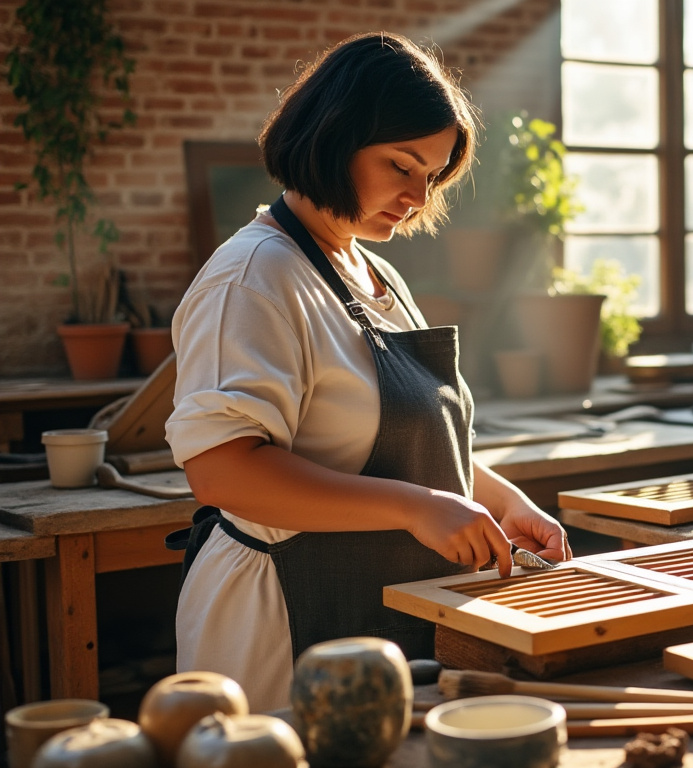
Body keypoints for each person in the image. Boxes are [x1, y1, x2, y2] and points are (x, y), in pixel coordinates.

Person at [166, 32, 570, 711]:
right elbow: (222, 470)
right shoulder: (255, 276)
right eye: (401, 165)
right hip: (281, 620)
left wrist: (502, 503)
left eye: (432, 175)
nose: (418, 195)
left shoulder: (373, 271)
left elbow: (412, 442)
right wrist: (417, 506)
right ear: (334, 135)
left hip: (372, 612)